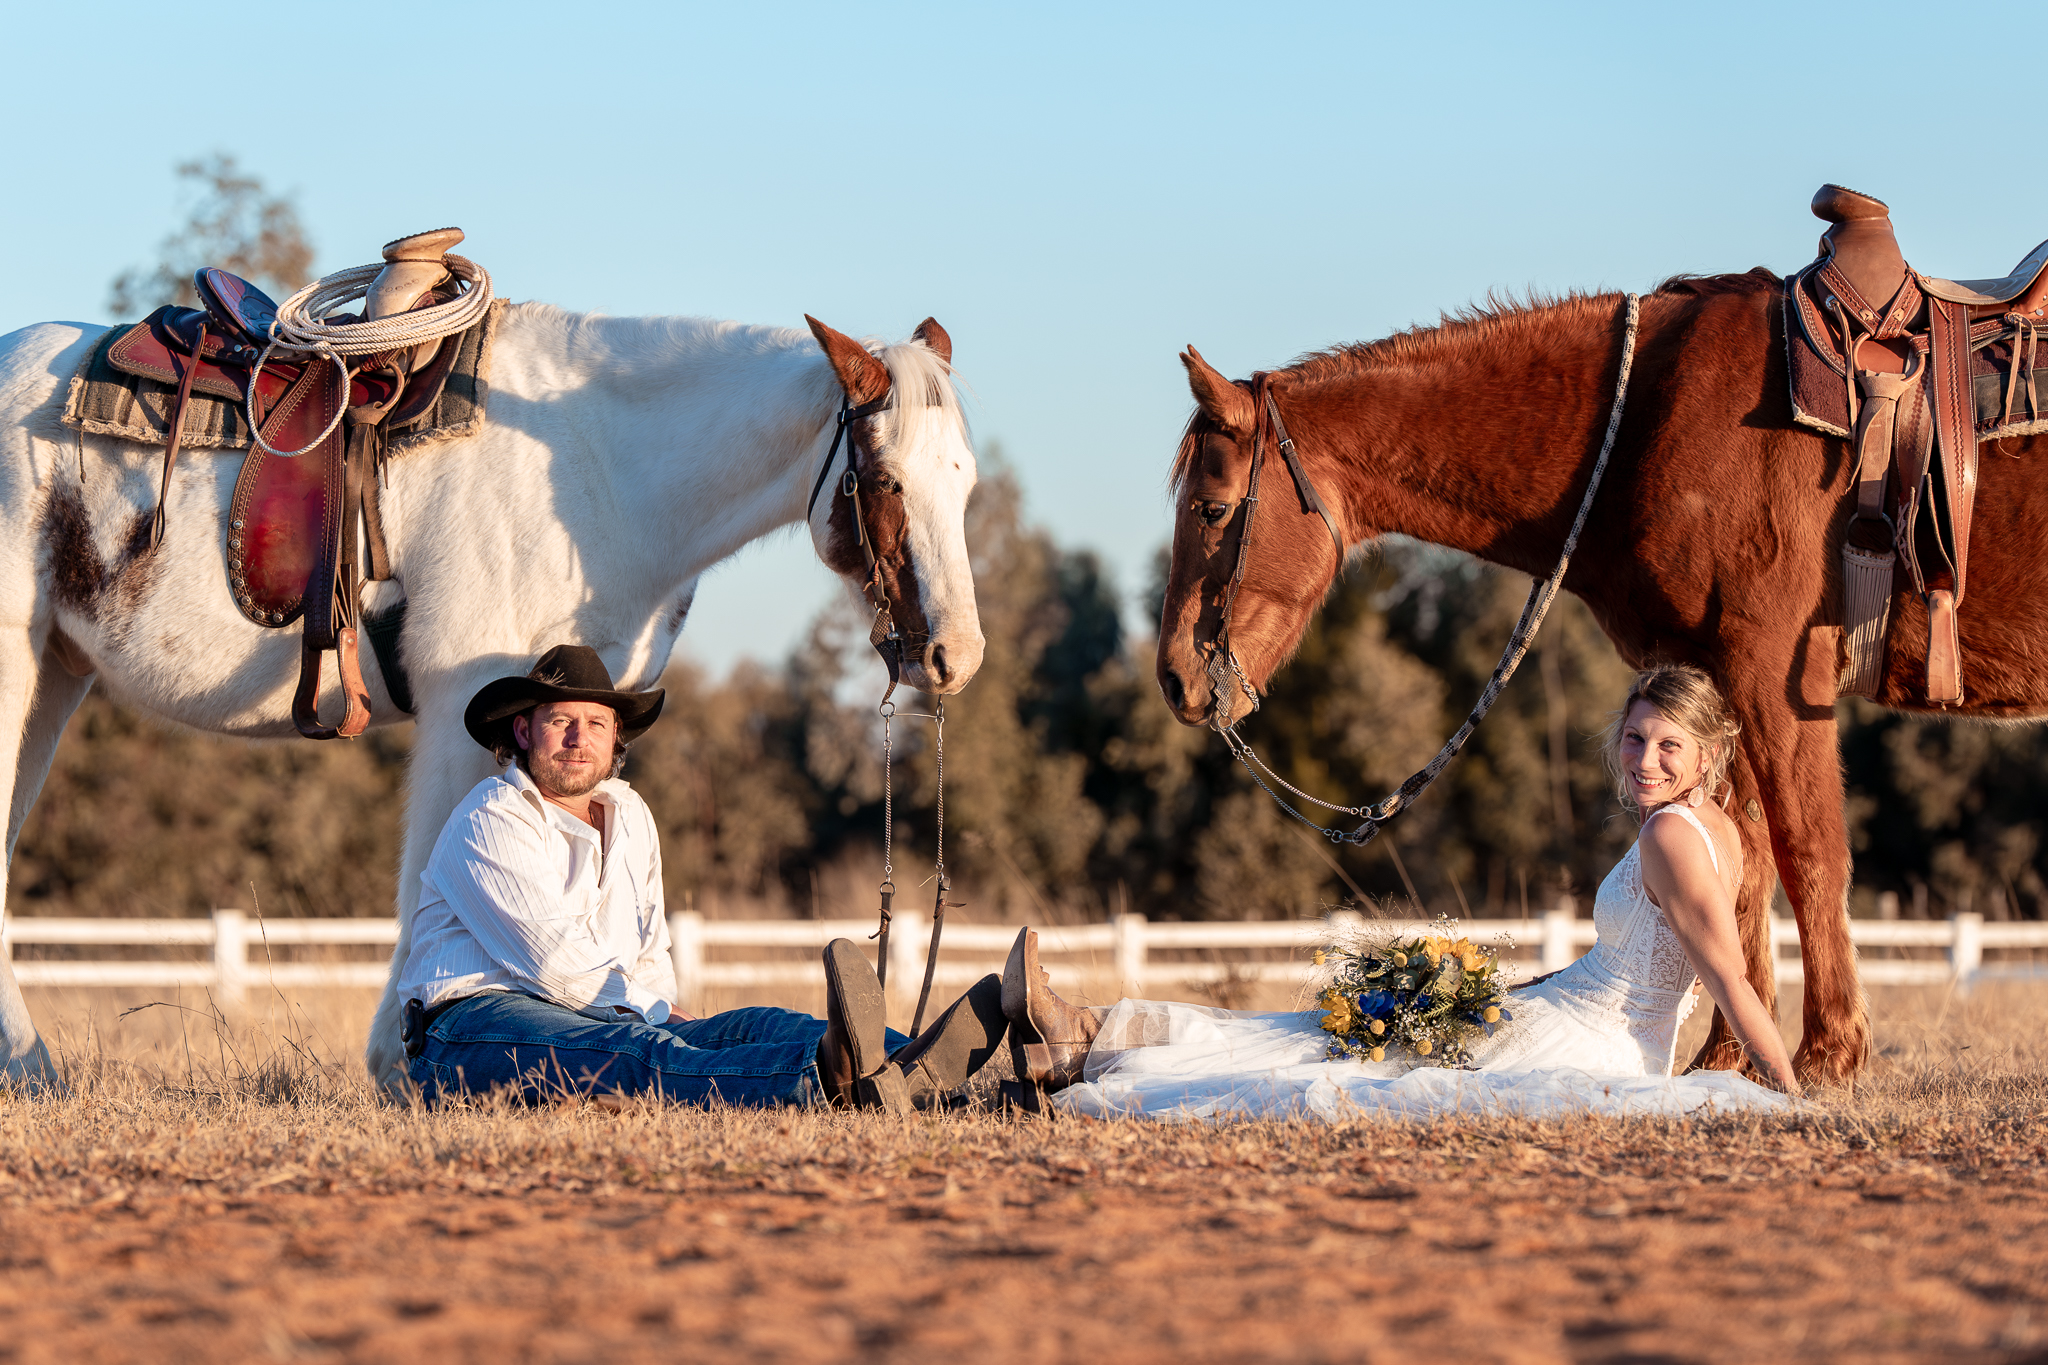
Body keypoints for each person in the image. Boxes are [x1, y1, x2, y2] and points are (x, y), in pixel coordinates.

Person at [1000, 665, 1801, 1121]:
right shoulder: (1711, 826)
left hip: (1579, 1044)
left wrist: (1796, 1101)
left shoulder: (1669, 838)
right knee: (1342, 1037)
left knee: (1343, 1056)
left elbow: (1729, 979)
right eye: (1634, 738)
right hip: (1574, 1017)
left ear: (1707, 753)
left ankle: (1088, 1043)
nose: (1645, 759)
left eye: (1668, 745)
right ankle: (1080, 1040)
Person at [397, 645, 1005, 1111]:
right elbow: (558, 968)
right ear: (525, 731)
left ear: (617, 738)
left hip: (599, 1012)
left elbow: (649, 949)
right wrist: (660, 1017)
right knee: (644, 1053)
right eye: (561, 721)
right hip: (468, 1029)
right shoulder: (490, 817)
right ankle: (824, 1079)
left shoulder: (630, 816)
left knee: (760, 1023)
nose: (580, 739)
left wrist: (665, 1009)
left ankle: (917, 1069)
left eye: (597, 723)